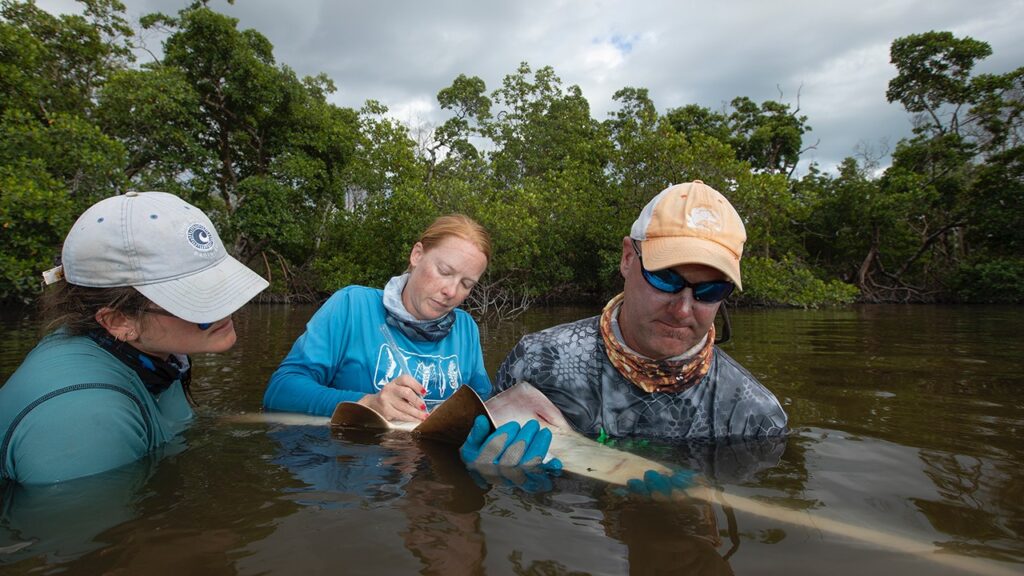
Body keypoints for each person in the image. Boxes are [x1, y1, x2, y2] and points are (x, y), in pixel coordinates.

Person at [461, 180, 787, 474]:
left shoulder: (755, 416)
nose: (683, 308)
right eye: (665, 278)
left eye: (711, 290)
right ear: (629, 257)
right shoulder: (536, 359)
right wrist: (475, 472)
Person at [0, 191, 269, 485]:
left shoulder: (151, 352)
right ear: (118, 320)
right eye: (197, 301)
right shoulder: (85, 419)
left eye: (220, 286)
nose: (228, 307)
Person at [263, 214, 492, 420]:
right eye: (444, 271)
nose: (451, 292)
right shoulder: (351, 305)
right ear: (417, 255)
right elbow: (280, 391)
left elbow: (484, 405)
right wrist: (368, 403)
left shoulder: (465, 328)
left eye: (466, 284)